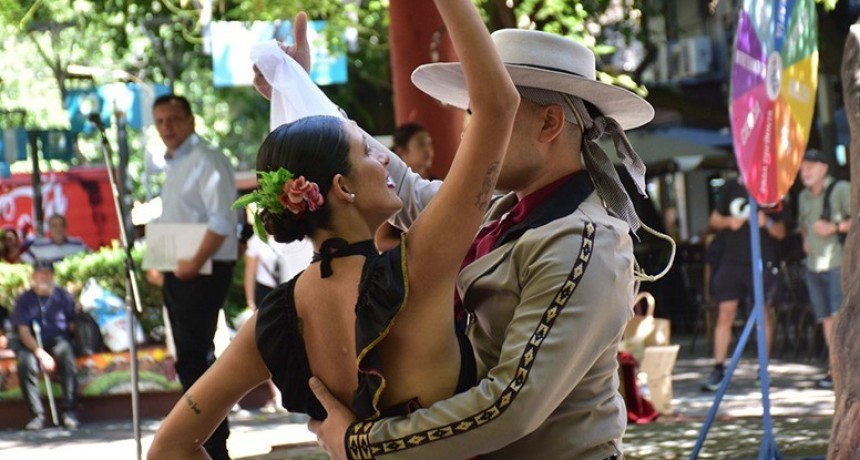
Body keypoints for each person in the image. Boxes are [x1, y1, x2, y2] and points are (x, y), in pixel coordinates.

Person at [275, 20, 662, 460]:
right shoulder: (503, 210)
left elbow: (512, 405)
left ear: (550, 123)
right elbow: (399, 185)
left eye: (482, 111)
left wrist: (363, 445)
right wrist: (299, 91)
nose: (467, 128)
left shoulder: (583, 240)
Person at [148, 2, 518, 459]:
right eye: (369, 150)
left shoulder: (274, 319)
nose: (385, 158)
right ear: (341, 187)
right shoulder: (420, 265)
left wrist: (298, 87)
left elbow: (168, 446)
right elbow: (498, 106)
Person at [150, 94, 238, 459]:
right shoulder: (170, 164)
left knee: (194, 356)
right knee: (189, 356)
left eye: (173, 119)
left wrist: (191, 261)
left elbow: (222, 219)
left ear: (191, 121)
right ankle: (206, 440)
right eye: (160, 122)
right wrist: (162, 262)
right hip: (181, 267)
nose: (167, 128)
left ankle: (214, 444)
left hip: (204, 267)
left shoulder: (207, 159)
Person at [700, 176, 786, 392]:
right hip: (731, 260)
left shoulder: (774, 186)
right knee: (725, 313)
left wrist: (767, 222)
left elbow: (782, 232)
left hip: (762, 261)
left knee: (763, 313)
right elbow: (713, 221)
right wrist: (729, 222)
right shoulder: (731, 186)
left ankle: (762, 369)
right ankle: (718, 368)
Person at [797, 149, 852, 389]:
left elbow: (856, 220)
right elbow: (803, 225)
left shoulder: (840, 189)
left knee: (839, 318)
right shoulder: (803, 197)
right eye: (802, 167)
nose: (805, 171)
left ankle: (848, 370)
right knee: (826, 320)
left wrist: (835, 227)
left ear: (824, 168)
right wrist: (805, 239)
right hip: (814, 265)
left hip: (837, 263)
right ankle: (835, 370)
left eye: (810, 166)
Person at [10, 260, 80, 430]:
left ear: (53, 275)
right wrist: (40, 353)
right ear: (33, 276)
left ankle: (69, 411)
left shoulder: (63, 296)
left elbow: (72, 324)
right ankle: (37, 415)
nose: (44, 276)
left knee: (67, 354)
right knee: (26, 363)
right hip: (32, 342)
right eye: (40, 273)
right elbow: (24, 331)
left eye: (47, 273)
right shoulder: (24, 299)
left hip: (58, 338)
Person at [375, 123, 436, 251]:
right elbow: (381, 241)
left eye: (429, 143)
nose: (428, 149)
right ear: (401, 151)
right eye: (420, 144)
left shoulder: (436, 182)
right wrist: (420, 248)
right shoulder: (389, 186)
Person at [21, 215, 88, 264]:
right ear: (49, 229)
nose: (59, 229)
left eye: (62, 225)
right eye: (54, 226)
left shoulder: (77, 244)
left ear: (66, 228)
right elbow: (22, 262)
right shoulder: (39, 246)